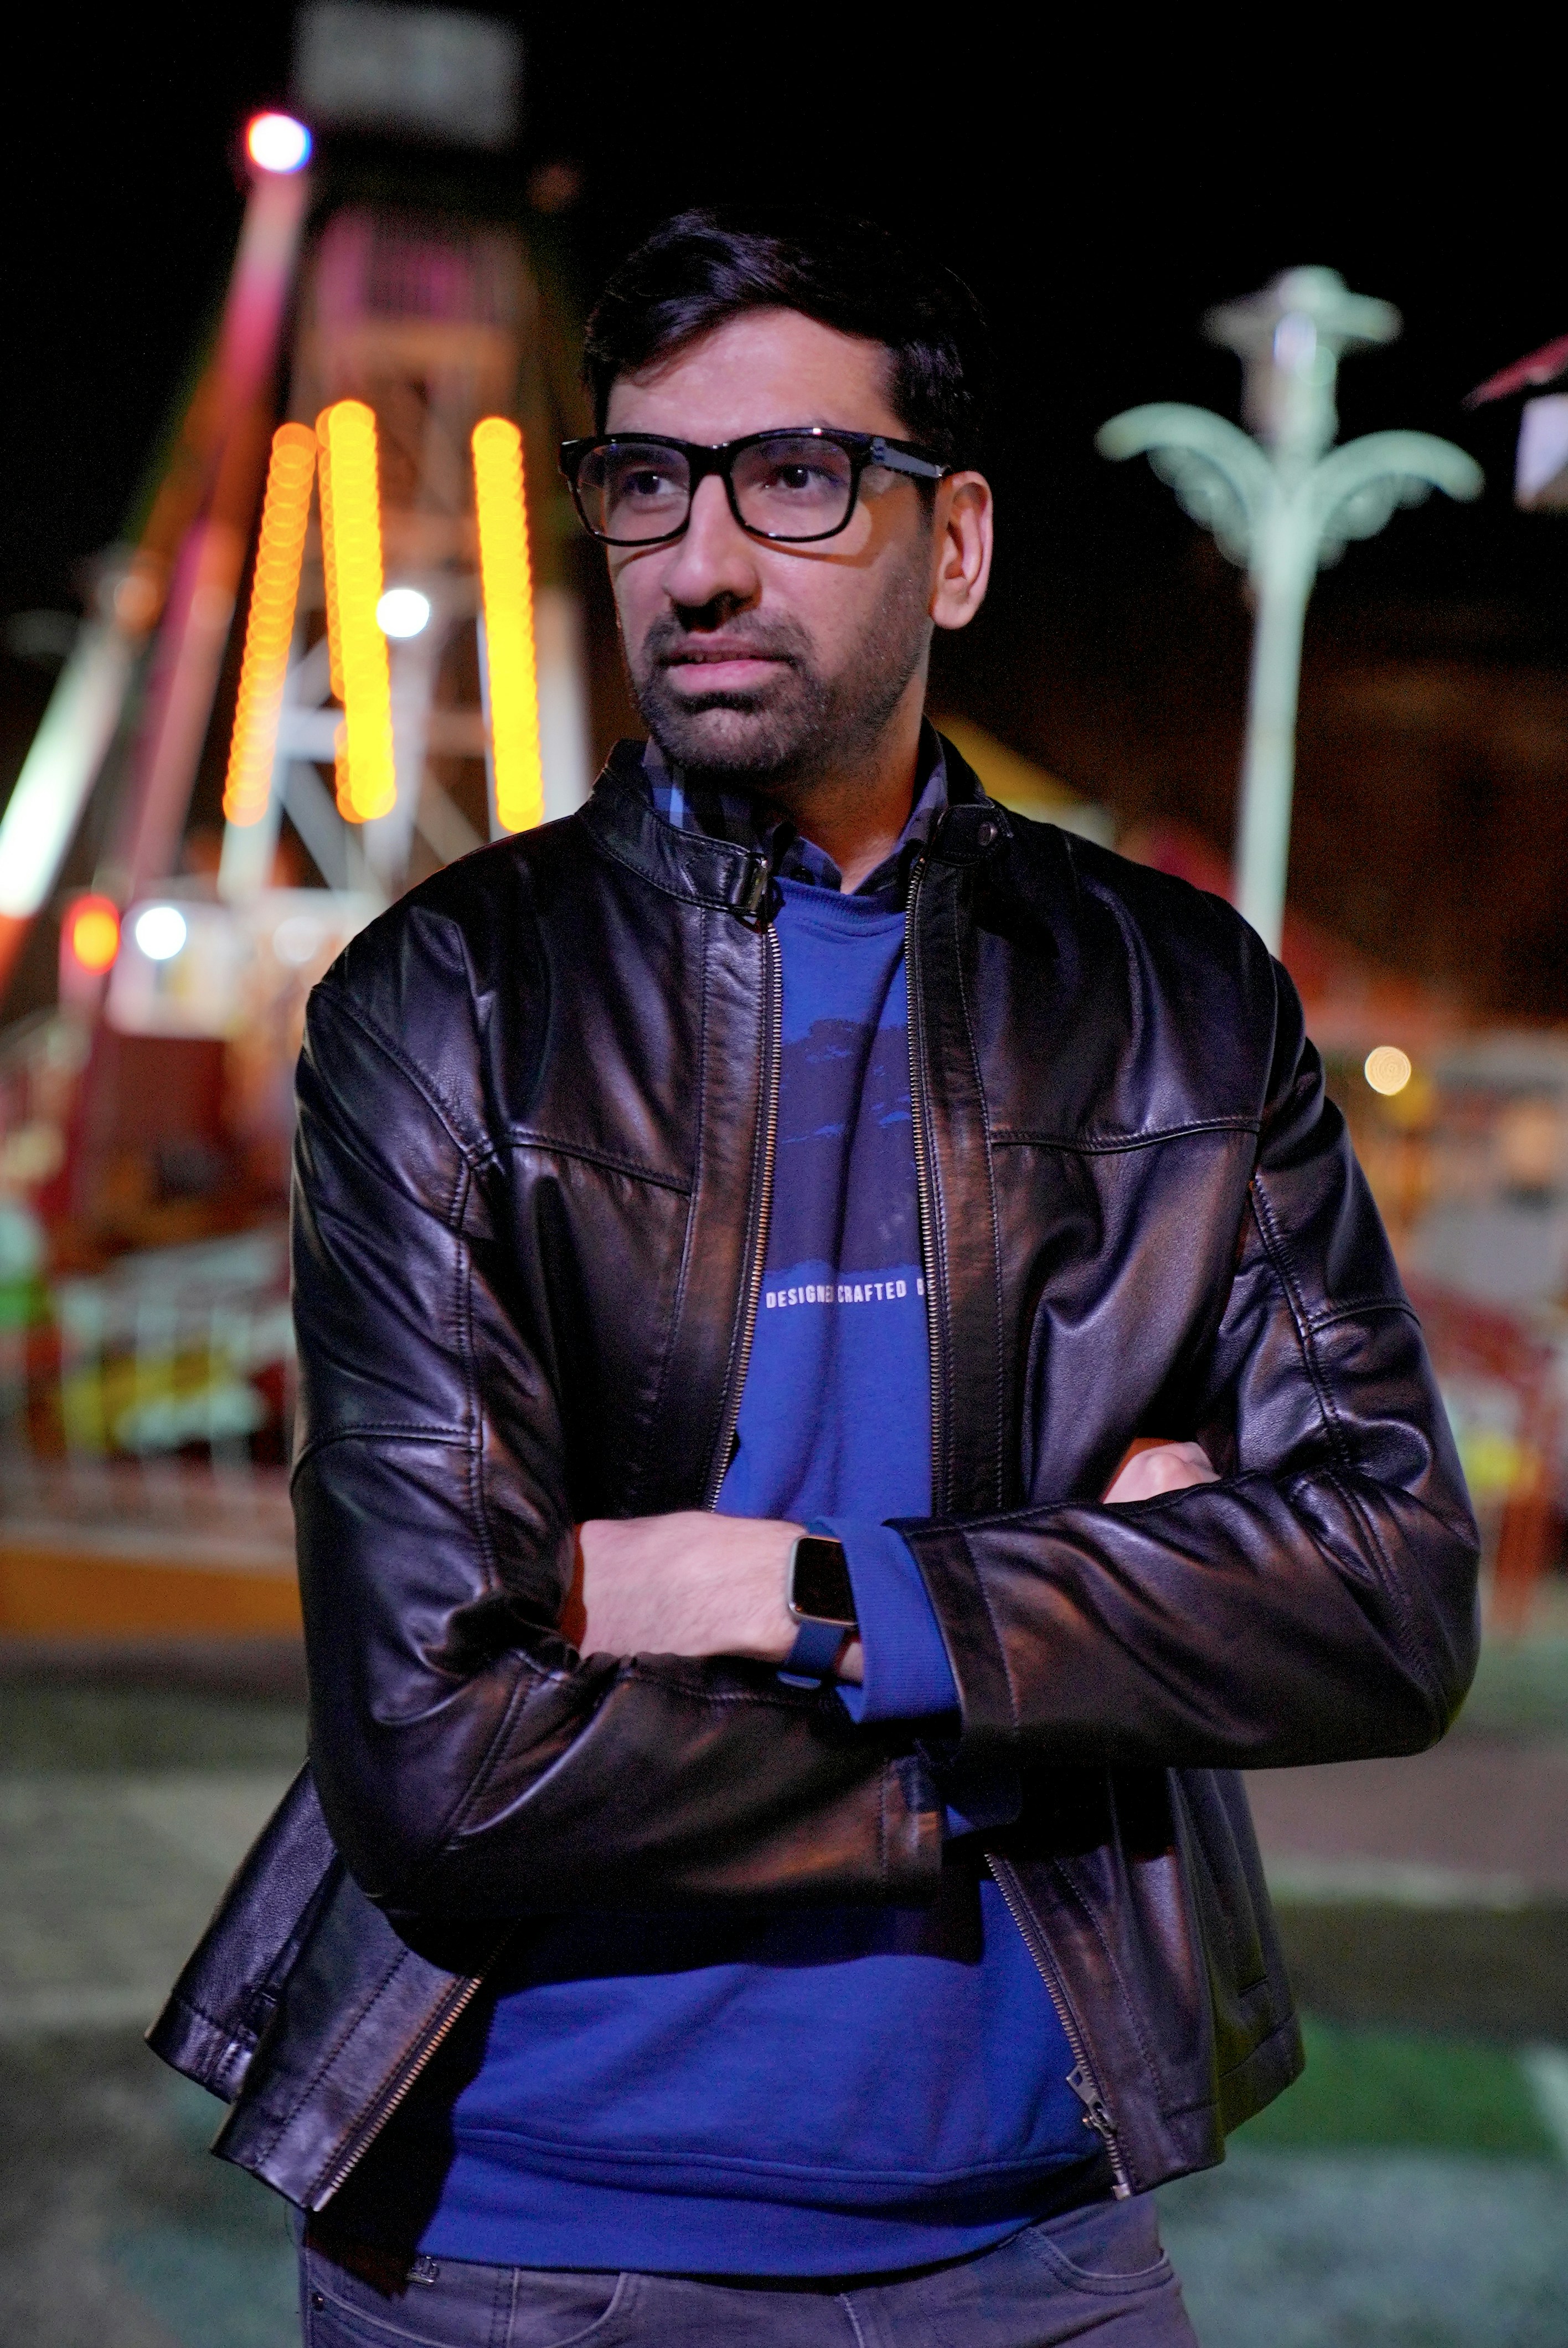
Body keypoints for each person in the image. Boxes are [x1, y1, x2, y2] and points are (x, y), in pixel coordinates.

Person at [152, 208, 1479, 2347]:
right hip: (514, 2243)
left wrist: (802, 1597)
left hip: (1033, 2246)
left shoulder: (1176, 1005)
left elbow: (1392, 1600)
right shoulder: (445, 1006)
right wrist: (1077, 1637)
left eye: (793, 479)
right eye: (649, 480)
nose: (698, 558)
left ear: (951, 546)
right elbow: (438, 1758)